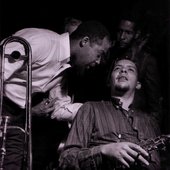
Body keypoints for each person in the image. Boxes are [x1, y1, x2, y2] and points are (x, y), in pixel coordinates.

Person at [1, 20, 111, 170]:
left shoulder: (65, 67)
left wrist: (98, 112)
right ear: (85, 41)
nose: (98, 62)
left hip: (17, 119)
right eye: (99, 54)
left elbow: (60, 107)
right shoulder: (42, 42)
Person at [58, 57, 161, 170]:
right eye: (118, 68)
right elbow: (66, 160)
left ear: (138, 84)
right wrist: (103, 151)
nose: (123, 71)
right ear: (109, 81)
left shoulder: (149, 121)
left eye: (130, 69)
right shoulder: (90, 108)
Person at [107, 16, 162, 122]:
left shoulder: (146, 60)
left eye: (128, 32)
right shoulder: (112, 55)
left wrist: (150, 129)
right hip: (109, 118)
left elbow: (155, 103)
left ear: (136, 34)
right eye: (120, 31)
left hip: (135, 121)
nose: (122, 37)